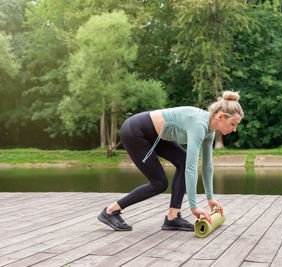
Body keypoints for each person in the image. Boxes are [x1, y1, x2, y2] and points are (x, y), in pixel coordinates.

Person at [97, 91, 243, 231]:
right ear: (221, 117)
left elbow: (207, 165)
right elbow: (191, 169)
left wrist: (210, 198)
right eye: (233, 124)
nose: (235, 129)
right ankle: (110, 211)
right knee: (159, 183)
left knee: (183, 160)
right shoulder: (199, 125)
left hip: (156, 135)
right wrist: (194, 207)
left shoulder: (209, 131)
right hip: (136, 131)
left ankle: (173, 217)